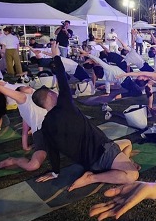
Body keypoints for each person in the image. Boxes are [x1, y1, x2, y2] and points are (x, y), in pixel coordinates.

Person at [30, 54, 139, 191]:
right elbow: (62, 79)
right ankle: (92, 178)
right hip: (102, 150)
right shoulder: (65, 107)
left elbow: (52, 151)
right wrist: (56, 57)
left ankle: (118, 166)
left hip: (89, 162)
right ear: (52, 95)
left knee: (127, 143)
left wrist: (55, 172)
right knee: (132, 175)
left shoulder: (45, 126)